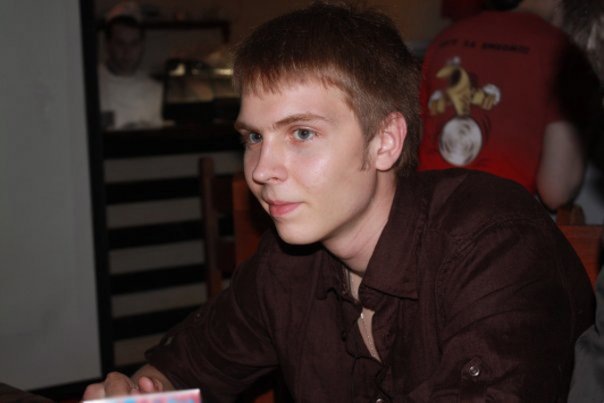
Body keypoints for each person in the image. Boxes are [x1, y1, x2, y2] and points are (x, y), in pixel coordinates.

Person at [83, 3, 594, 401]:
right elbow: (178, 371)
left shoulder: (493, 246)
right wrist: (137, 392)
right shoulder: (284, 266)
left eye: (302, 133)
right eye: (254, 137)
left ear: (385, 141)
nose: (261, 170)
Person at [417, 0, 594, 212]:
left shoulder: (444, 39)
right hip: (500, 219)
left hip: (428, 212)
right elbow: (557, 189)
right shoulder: (560, 50)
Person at [98, 1, 164, 130]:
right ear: (108, 45)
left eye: (133, 44)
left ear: (142, 46)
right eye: (120, 43)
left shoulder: (155, 91)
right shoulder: (91, 85)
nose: (127, 52)